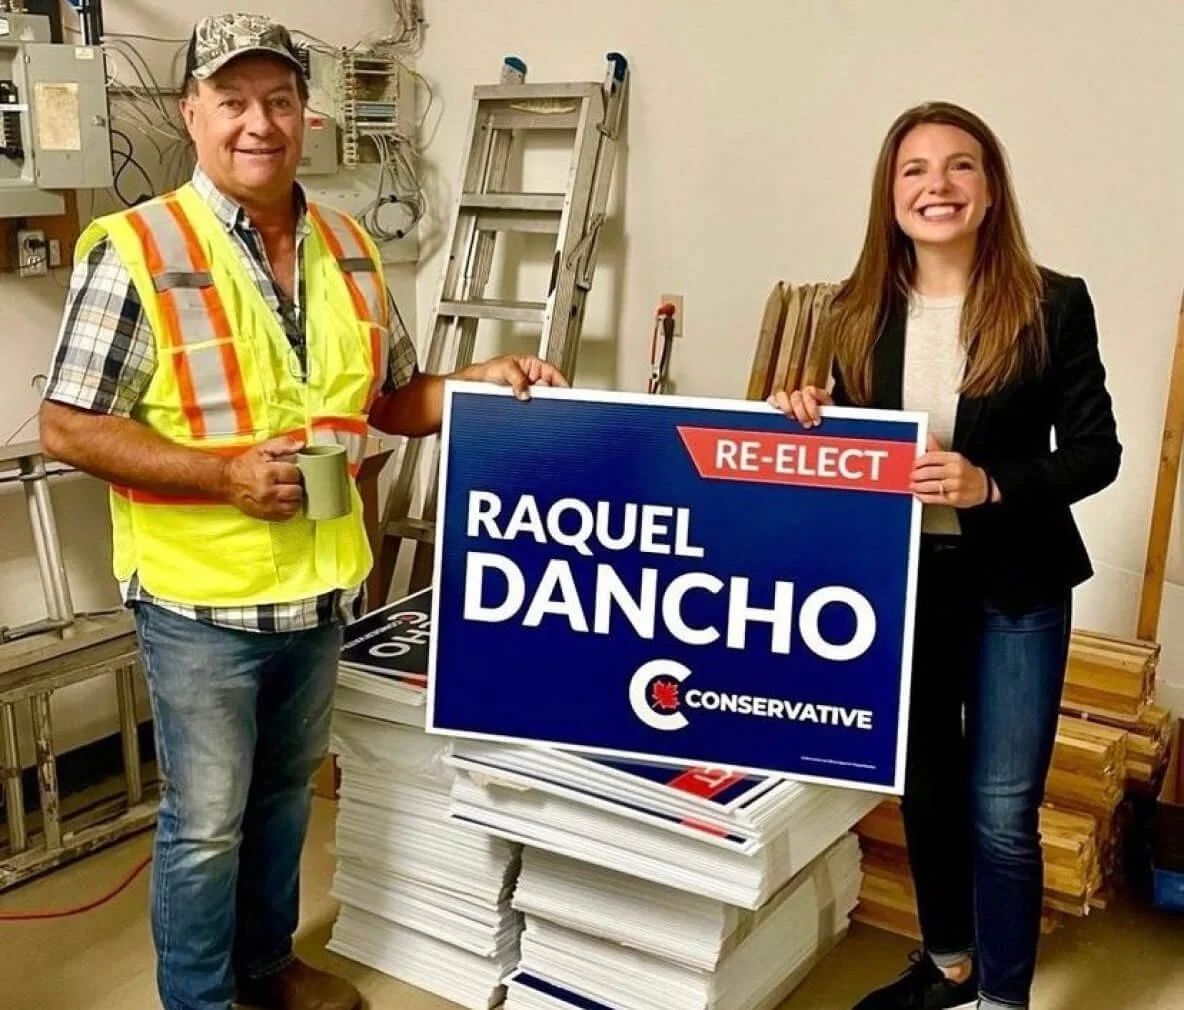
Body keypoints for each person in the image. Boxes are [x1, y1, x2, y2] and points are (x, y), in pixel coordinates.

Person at [38, 13, 565, 1010]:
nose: (259, 123)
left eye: (278, 100)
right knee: (206, 823)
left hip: (320, 587)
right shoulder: (139, 247)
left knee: (284, 797)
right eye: (232, 100)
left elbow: (391, 401)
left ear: (306, 116)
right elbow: (67, 427)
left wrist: (478, 381)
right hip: (200, 599)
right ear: (191, 114)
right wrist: (223, 476)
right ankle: (199, 998)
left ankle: (265, 966)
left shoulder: (351, 248)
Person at [772, 101, 1120, 1010]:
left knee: (1001, 808)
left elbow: (1098, 453)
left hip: (1016, 585)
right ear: (890, 195)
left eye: (960, 165)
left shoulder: (1051, 303)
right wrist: (808, 415)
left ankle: (1003, 999)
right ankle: (949, 964)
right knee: (925, 785)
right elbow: (852, 442)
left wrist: (991, 484)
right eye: (915, 169)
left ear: (991, 188)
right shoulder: (853, 311)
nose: (938, 185)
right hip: (902, 585)